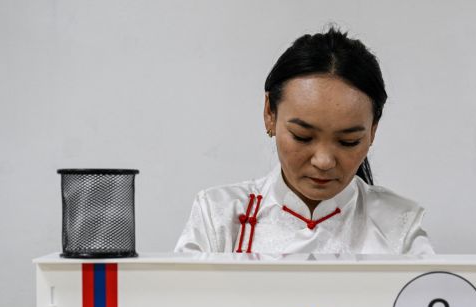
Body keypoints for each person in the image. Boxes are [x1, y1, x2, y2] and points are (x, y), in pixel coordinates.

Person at [175, 27, 434, 255]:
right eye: (303, 136)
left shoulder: (398, 225)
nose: (323, 161)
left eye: (348, 141)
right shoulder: (218, 216)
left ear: (373, 131)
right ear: (269, 113)